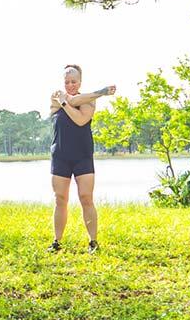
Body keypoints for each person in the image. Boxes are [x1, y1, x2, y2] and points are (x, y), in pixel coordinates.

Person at [48, 65, 115, 253]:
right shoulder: (56, 98)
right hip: (60, 156)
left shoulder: (89, 102)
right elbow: (72, 100)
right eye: (67, 82)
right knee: (60, 198)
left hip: (82, 156)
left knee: (86, 198)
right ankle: (57, 242)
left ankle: (93, 242)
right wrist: (100, 92)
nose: (69, 85)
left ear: (80, 82)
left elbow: (80, 120)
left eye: (74, 81)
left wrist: (67, 103)